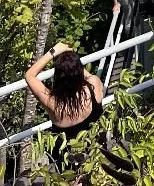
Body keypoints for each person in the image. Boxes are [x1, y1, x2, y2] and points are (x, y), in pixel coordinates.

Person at [24, 42, 104, 173]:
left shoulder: (52, 103)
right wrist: (71, 61)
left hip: (66, 164)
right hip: (96, 153)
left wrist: (52, 53)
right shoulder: (94, 86)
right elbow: (85, 75)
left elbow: (29, 75)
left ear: (57, 76)